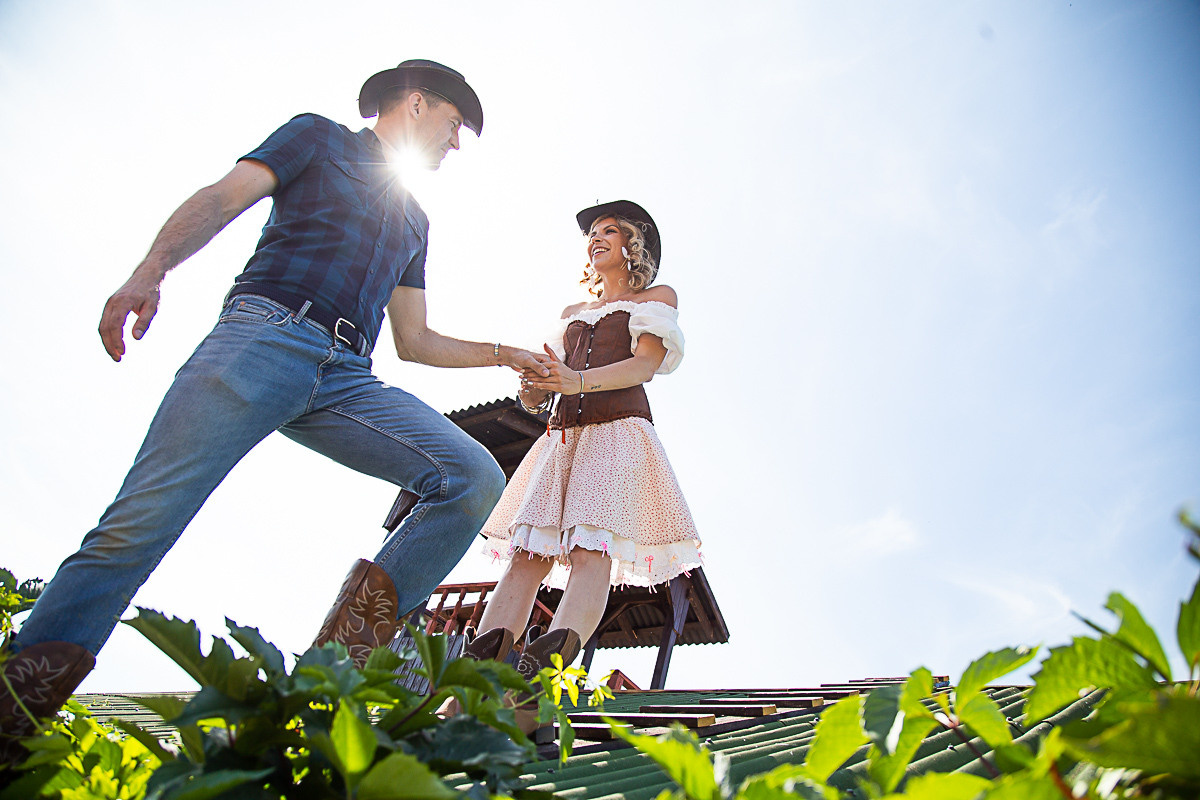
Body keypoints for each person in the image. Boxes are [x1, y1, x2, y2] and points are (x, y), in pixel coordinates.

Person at [0, 60, 549, 745]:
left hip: (347, 376)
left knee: (472, 478)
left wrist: (508, 353)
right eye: (454, 124)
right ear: (415, 104)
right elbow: (226, 196)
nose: (457, 142)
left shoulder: (413, 220)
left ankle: (328, 682)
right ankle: (12, 719)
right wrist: (151, 269)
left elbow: (414, 338)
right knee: (136, 527)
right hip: (264, 338)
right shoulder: (318, 138)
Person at [448, 200, 702, 728]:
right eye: (593, 233)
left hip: (616, 435)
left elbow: (645, 366)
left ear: (635, 246)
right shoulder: (569, 316)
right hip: (561, 441)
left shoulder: (656, 298)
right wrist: (536, 391)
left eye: (611, 231)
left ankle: (538, 691)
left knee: (591, 554)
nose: (597, 238)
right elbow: (543, 394)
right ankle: (473, 690)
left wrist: (576, 382)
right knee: (524, 558)